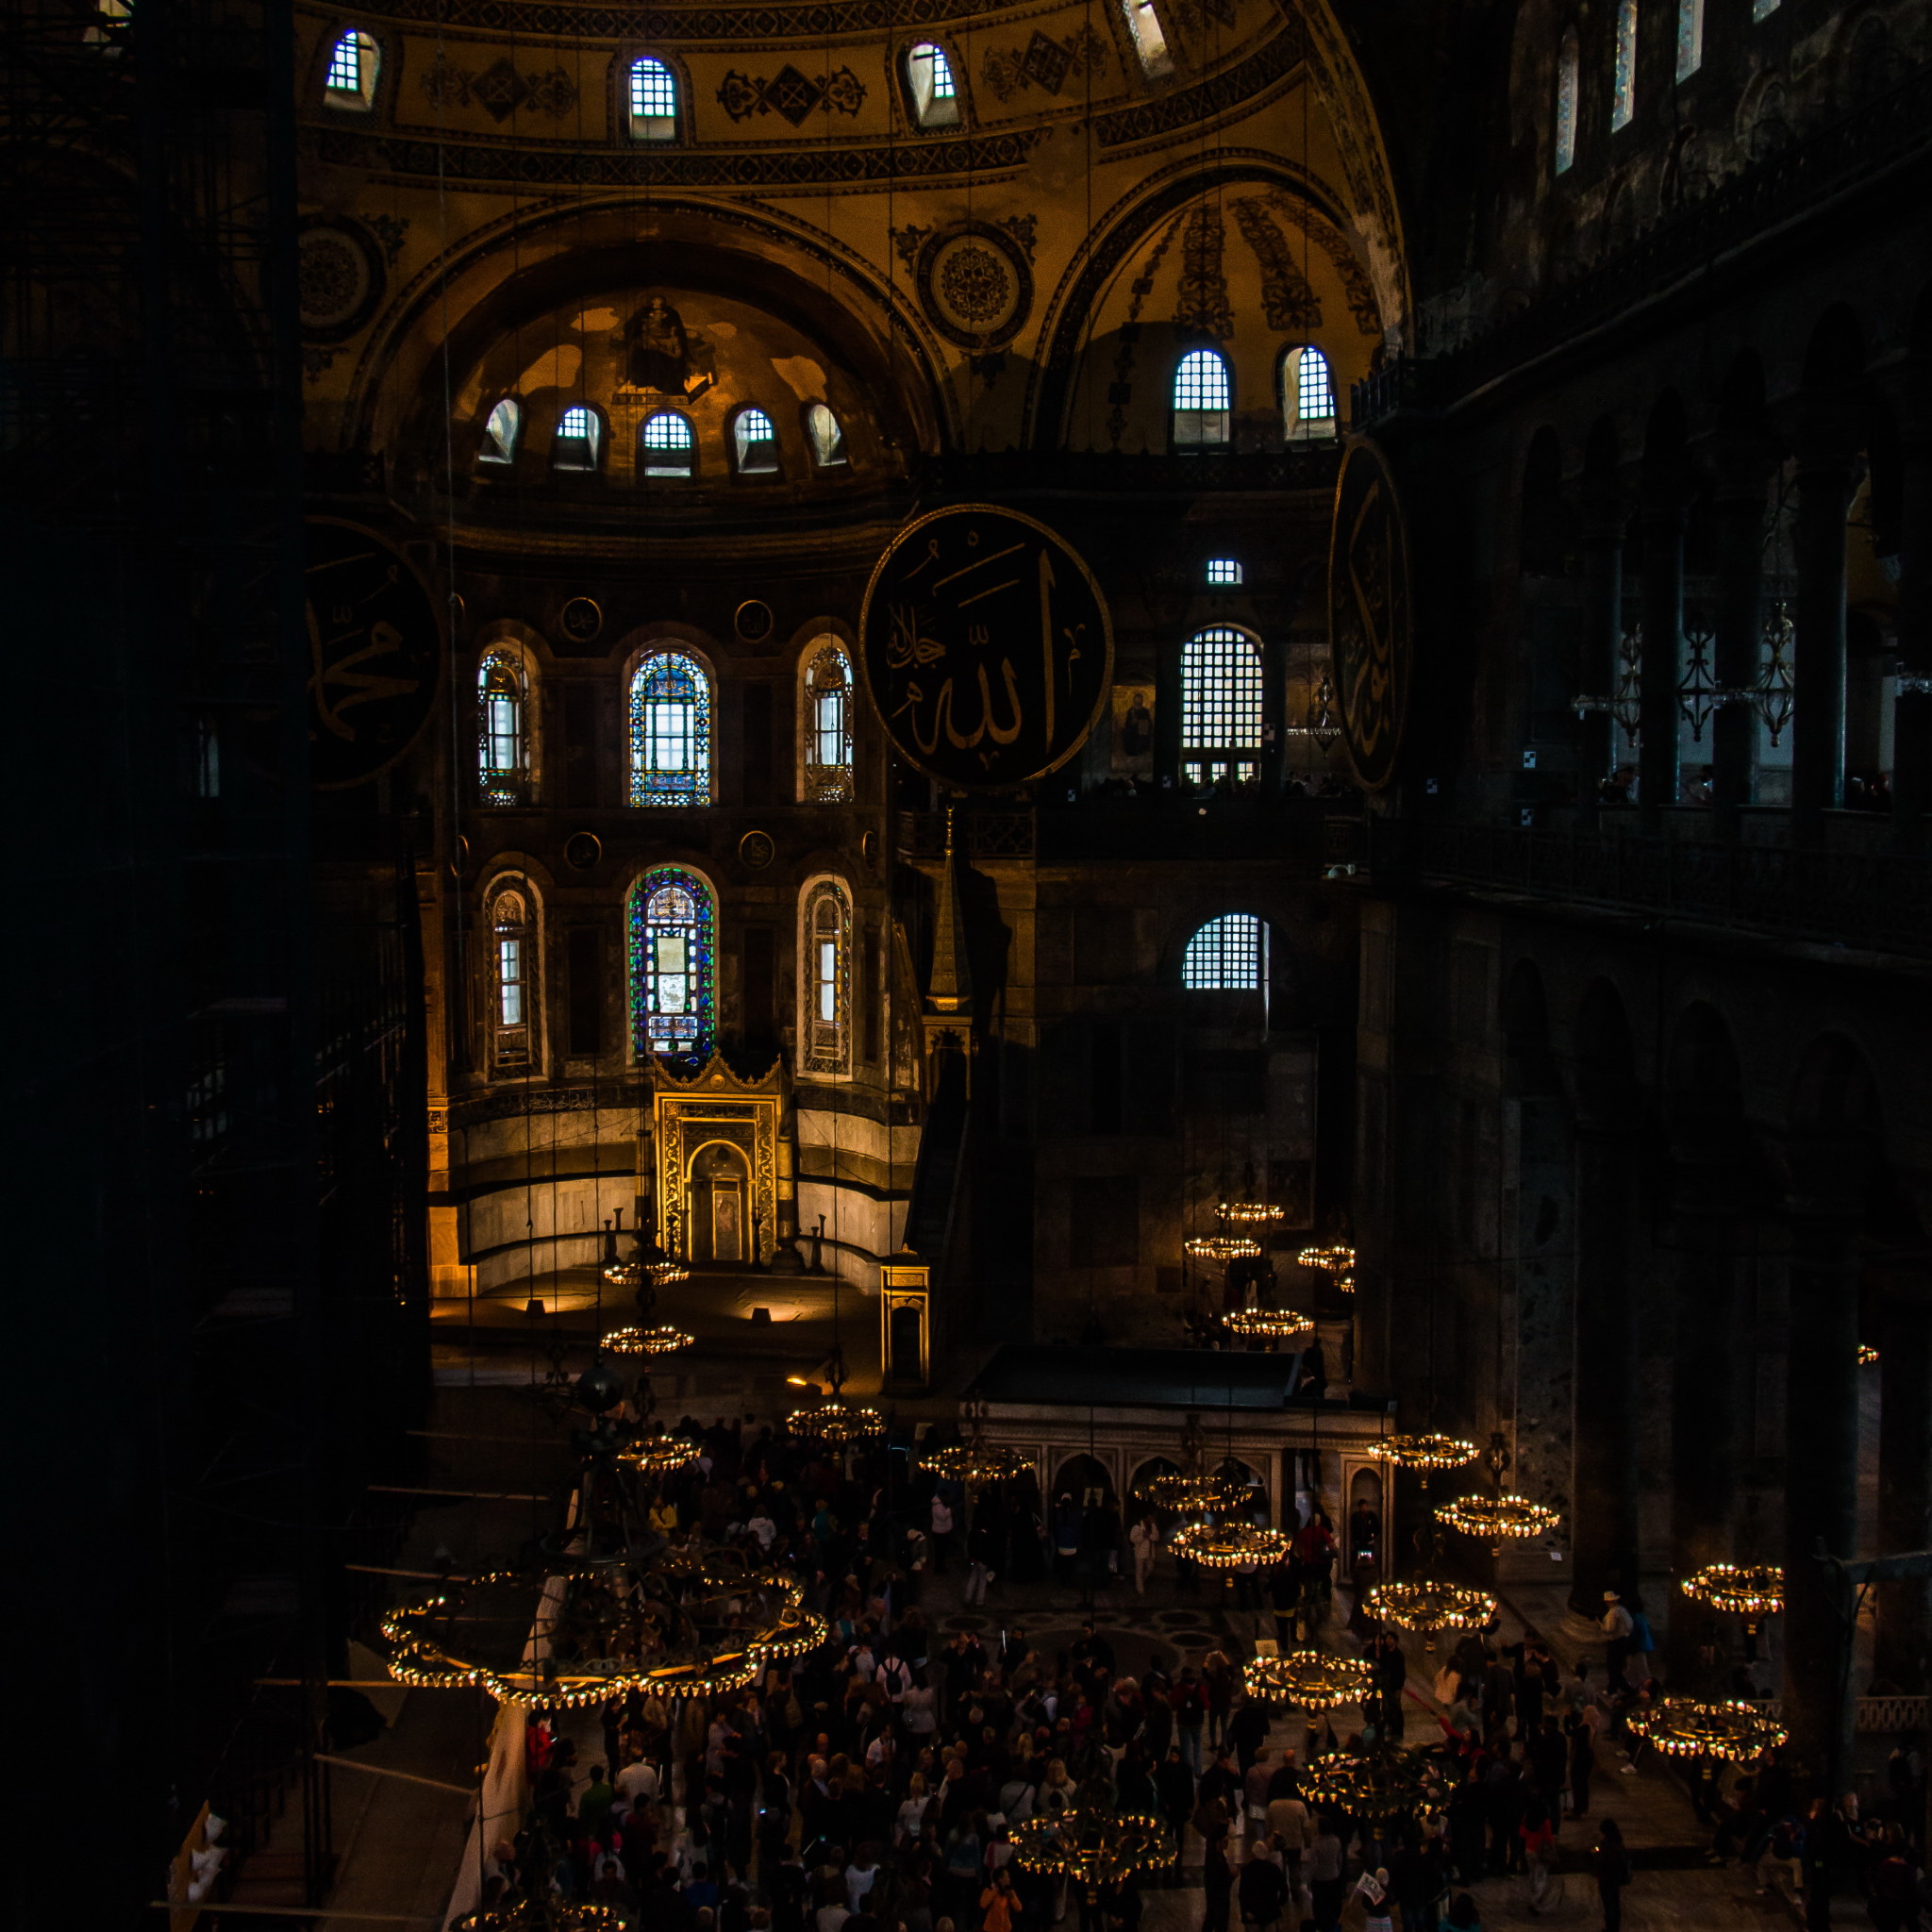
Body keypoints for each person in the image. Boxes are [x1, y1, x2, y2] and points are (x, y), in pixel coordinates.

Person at [1238, 1840, 1288, 1932]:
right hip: (1270, 1912)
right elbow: (1284, 1890)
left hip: (1252, 1913)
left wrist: (1245, 1910)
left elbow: (1243, 1893)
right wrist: (1278, 1904)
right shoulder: (1273, 1869)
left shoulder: (1247, 1870)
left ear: (1253, 1854)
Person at [1592, 1817, 1631, 1931]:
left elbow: (1602, 1859)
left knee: (1609, 1905)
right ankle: (1615, 1927)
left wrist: (1596, 1852)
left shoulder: (1609, 1845)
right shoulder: (1618, 1843)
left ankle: (1611, 1927)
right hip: (1615, 1878)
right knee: (1615, 1903)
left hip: (1606, 1878)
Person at [1129, 1512, 1158, 1594]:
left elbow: (1156, 1537)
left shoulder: (1152, 1527)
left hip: (1149, 1552)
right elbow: (1132, 1539)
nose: (1150, 1520)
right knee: (1139, 1571)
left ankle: (1141, 1581)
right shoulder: (1137, 1527)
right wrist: (1142, 1537)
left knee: (1150, 1568)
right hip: (1140, 1552)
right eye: (1149, 1518)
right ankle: (1140, 1590)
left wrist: (1150, 1536)